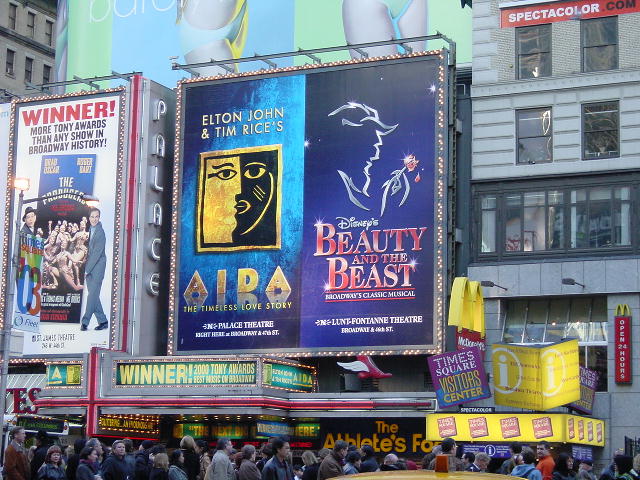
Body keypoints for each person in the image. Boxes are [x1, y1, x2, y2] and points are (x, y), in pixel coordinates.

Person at [80, 208, 108, 331]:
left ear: (99, 218)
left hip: (98, 266)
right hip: (90, 265)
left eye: (97, 216)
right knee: (94, 295)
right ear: (89, 218)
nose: (94, 219)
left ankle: (85, 322)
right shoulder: (90, 229)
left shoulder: (101, 232)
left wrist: (86, 270)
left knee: (92, 295)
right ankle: (103, 321)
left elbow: (97, 253)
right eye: (92, 216)